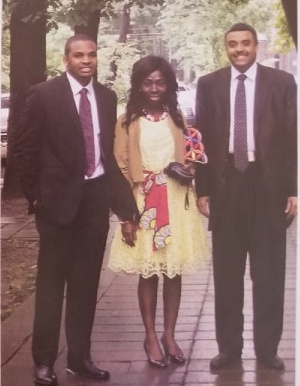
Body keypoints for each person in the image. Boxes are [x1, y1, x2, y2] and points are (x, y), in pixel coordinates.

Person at [14, 34, 139, 386]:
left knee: (86, 283)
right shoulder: (44, 95)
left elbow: (108, 158)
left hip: (94, 200)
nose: (86, 60)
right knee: (52, 284)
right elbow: (23, 149)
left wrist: (126, 208)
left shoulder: (106, 96)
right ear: (66, 59)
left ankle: (80, 358)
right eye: (78, 55)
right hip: (55, 204)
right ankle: (43, 361)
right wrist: (36, 196)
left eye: (91, 55)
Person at [195, 22, 297, 371]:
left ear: (257, 46)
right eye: (233, 44)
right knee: (227, 275)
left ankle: (267, 351)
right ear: (226, 48)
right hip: (226, 187)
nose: (239, 49)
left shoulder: (281, 83)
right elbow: (202, 140)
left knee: (269, 274)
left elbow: (292, 138)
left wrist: (294, 190)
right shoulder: (209, 84)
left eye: (246, 43)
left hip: (267, 187)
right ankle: (229, 349)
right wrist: (202, 189)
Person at [108, 55, 208, 368]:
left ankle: (169, 334)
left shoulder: (178, 117)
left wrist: (190, 165)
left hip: (177, 202)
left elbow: (191, 154)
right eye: (148, 82)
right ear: (138, 85)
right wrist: (126, 215)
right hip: (143, 202)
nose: (154, 88)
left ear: (168, 85)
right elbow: (121, 165)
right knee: (149, 271)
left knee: (173, 270)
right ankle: (150, 335)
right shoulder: (126, 120)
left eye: (160, 82)